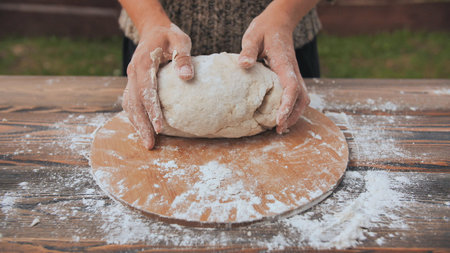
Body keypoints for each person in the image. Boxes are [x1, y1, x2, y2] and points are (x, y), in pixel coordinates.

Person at [118, 0, 322, 149]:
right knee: (146, 100)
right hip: (155, 44)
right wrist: (148, 19)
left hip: (280, 42)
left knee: (288, 101)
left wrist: (284, 14)